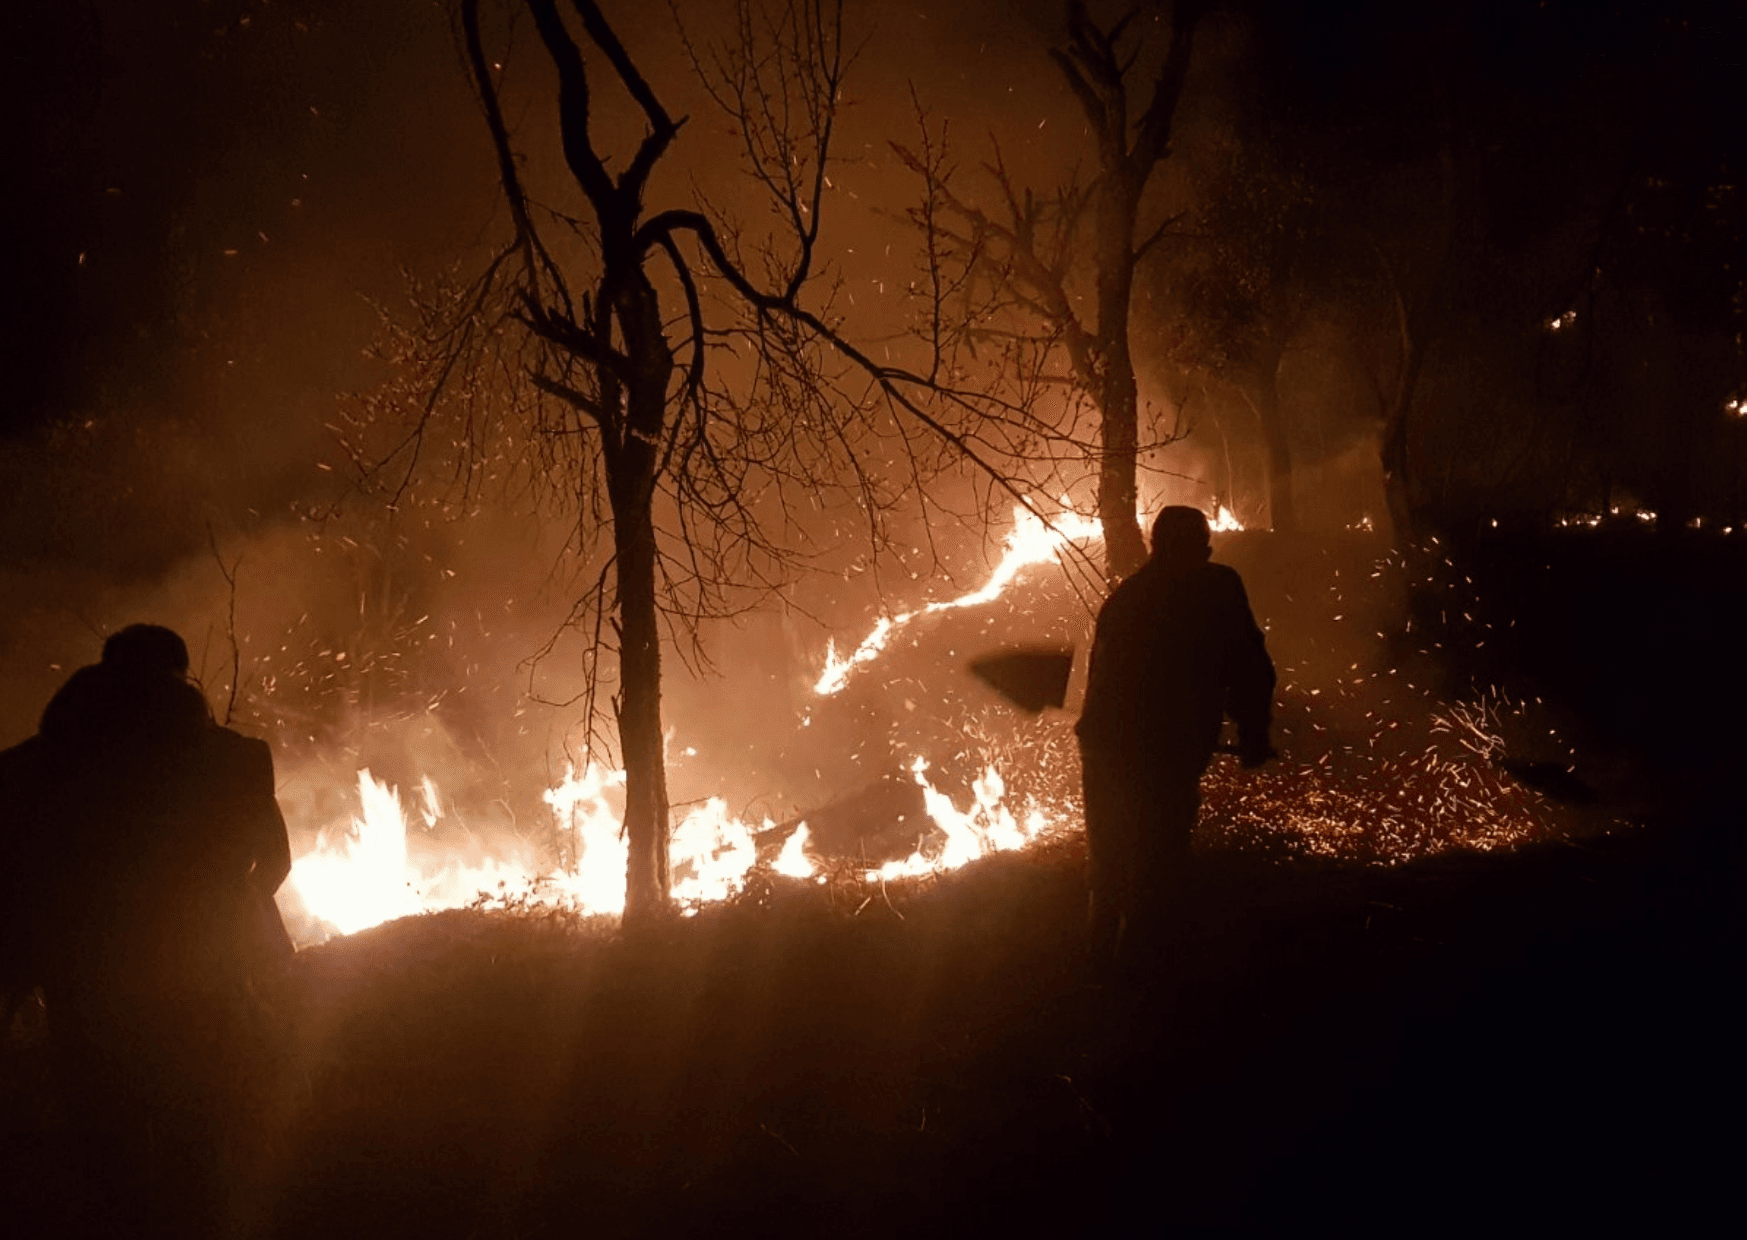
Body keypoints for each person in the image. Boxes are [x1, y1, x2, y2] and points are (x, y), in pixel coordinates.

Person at [0, 623, 293, 1228]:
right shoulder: (237, 759)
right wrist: (227, 913)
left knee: (108, 1154)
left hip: (87, 987)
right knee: (198, 1149)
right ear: (183, 678)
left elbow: (18, 873)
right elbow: (275, 862)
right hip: (201, 983)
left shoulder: (31, 766)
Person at [1075, 506, 1276, 963]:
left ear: (1154, 544)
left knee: (1110, 852)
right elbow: (1249, 665)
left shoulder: (1127, 596)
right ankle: (1143, 966)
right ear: (1201, 546)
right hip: (1160, 743)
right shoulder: (1216, 585)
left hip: (1103, 741)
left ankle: (1100, 961)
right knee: (1157, 849)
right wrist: (1254, 732)